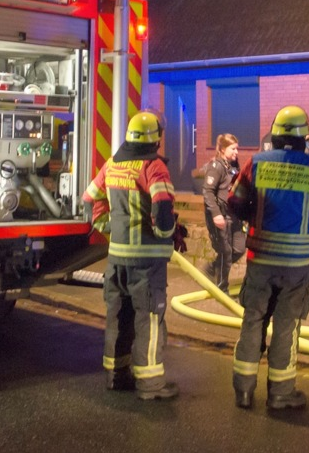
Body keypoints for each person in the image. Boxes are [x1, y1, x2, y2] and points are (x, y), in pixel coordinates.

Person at [227, 106, 309, 410]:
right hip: (297, 264)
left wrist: (253, 217)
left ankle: (243, 391)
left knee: (252, 319)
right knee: (286, 325)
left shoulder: (255, 163)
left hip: (260, 257)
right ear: (303, 135)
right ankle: (281, 394)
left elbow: (234, 201)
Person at [82, 111, 186, 401]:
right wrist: (168, 233)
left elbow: (90, 198)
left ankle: (116, 376)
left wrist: (108, 227)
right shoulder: (154, 167)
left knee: (118, 317)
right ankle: (151, 385)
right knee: (149, 319)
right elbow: (163, 208)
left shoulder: (113, 164)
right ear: (156, 138)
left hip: (116, 260)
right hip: (146, 263)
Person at [200, 133, 245, 294]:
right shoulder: (216, 167)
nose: (236, 152)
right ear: (223, 149)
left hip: (234, 216)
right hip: (221, 216)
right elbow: (208, 192)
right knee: (225, 251)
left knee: (239, 248)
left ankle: (213, 268)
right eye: (233, 149)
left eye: (237, 148)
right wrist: (216, 214)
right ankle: (221, 288)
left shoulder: (232, 167)